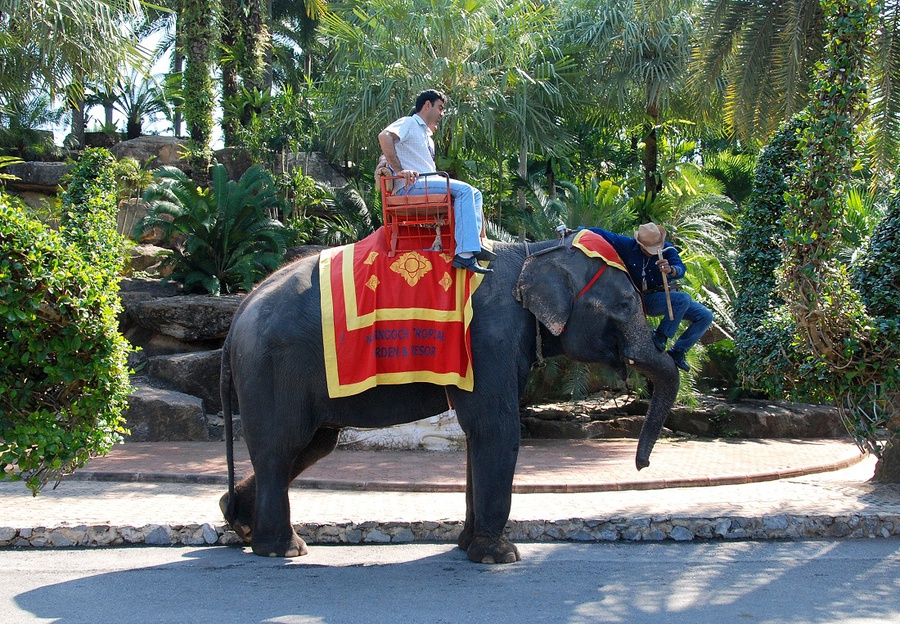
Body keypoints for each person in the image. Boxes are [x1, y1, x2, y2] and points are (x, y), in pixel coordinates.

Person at [378, 89, 492, 275]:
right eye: (440, 107)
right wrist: (399, 171)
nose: (442, 113)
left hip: (426, 184)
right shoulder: (409, 122)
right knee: (465, 191)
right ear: (427, 105)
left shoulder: (427, 136)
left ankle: (475, 244)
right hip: (412, 186)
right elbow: (384, 136)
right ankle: (464, 254)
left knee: (475, 192)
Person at [582, 222, 713, 372]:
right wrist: (577, 231)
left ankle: (678, 351)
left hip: (665, 297)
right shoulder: (628, 246)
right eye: (647, 248)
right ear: (641, 244)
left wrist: (671, 270)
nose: (651, 251)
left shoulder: (668, 250)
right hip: (643, 298)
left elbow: (680, 269)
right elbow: (601, 233)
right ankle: (660, 336)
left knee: (705, 315)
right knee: (682, 299)